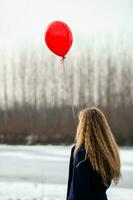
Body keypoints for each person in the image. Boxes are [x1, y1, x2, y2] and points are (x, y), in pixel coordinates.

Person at [66, 107, 121, 200]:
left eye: (81, 123)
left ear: (84, 127)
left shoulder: (82, 154)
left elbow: (79, 192)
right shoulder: (108, 153)